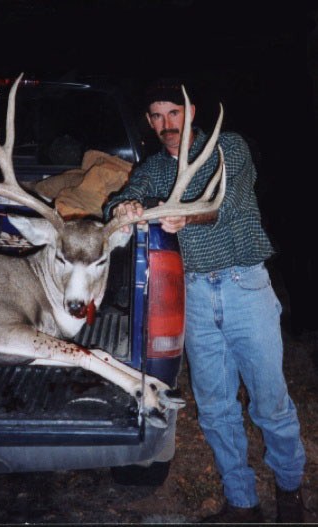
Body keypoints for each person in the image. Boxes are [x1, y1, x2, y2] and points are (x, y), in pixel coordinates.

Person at [103, 79, 306, 524]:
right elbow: (125, 195)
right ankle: (241, 502)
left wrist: (185, 215)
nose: (165, 124)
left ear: (192, 112)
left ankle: (290, 495)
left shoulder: (227, 149)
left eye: (173, 113)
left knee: (270, 403)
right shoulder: (156, 168)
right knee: (215, 407)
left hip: (244, 287)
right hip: (193, 294)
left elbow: (226, 204)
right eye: (156, 116)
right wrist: (122, 209)